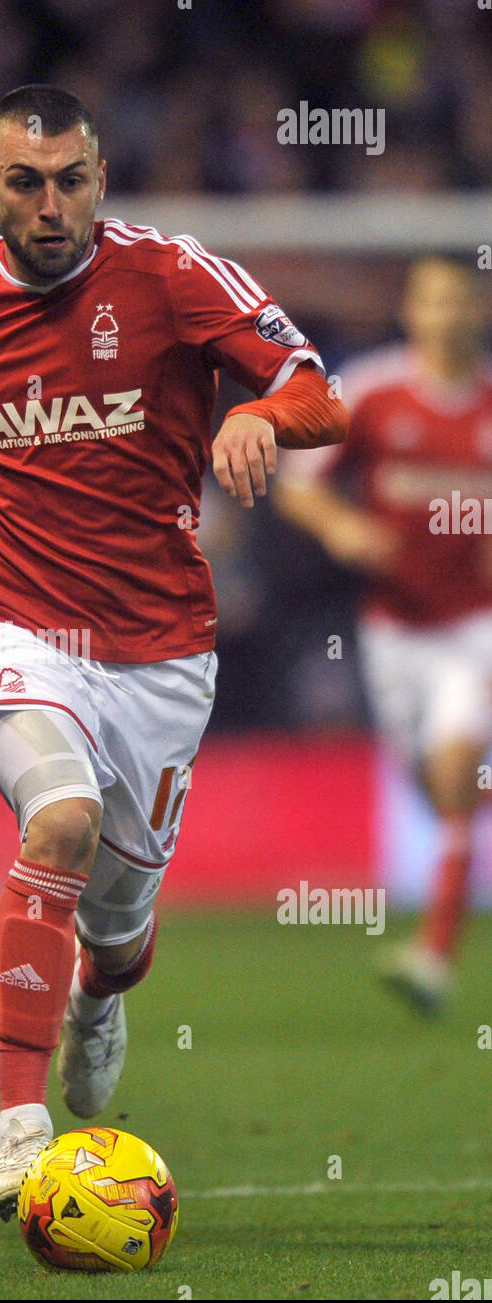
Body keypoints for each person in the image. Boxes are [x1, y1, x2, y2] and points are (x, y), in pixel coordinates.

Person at [0, 85, 348, 1218]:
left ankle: (100, 994)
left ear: (99, 179)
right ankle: (22, 1127)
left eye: (70, 178)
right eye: (25, 181)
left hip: (158, 649)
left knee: (117, 934)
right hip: (4, 618)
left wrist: (263, 415)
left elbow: (323, 391)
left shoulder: (173, 277)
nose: (50, 202)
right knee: (57, 818)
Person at [276, 256, 492, 1015]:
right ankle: (457, 842)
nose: (449, 315)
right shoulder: (370, 391)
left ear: (479, 309)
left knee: (458, 766)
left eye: (462, 300)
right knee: (435, 789)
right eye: (434, 301)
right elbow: (296, 483)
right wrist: (342, 525)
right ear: (411, 310)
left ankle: (432, 956)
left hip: (477, 625)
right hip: (393, 630)